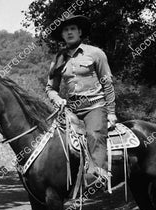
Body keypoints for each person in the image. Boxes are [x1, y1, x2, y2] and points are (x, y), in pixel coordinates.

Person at [45, 14, 117, 188]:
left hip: (95, 106)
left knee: (94, 135)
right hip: (70, 108)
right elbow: (50, 89)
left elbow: (107, 84)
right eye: (65, 30)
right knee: (54, 137)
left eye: (72, 29)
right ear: (62, 35)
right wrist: (57, 99)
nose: (69, 33)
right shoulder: (58, 59)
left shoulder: (95, 53)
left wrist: (112, 113)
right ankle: (60, 178)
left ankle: (97, 175)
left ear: (79, 32)